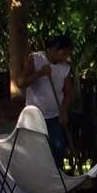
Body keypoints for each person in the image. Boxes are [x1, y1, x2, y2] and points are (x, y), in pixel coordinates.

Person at [22, 34, 73, 165]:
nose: (66, 57)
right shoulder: (35, 59)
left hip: (55, 116)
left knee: (58, 149)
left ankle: (57, 180)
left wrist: (64, 109)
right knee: (35, 151)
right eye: (64, 53)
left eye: (68, 54)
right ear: (53, 49)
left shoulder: (65, 67)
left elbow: (68, 93)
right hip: (34, 116)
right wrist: (40, 73)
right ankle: (37, 180)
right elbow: (21, 82)